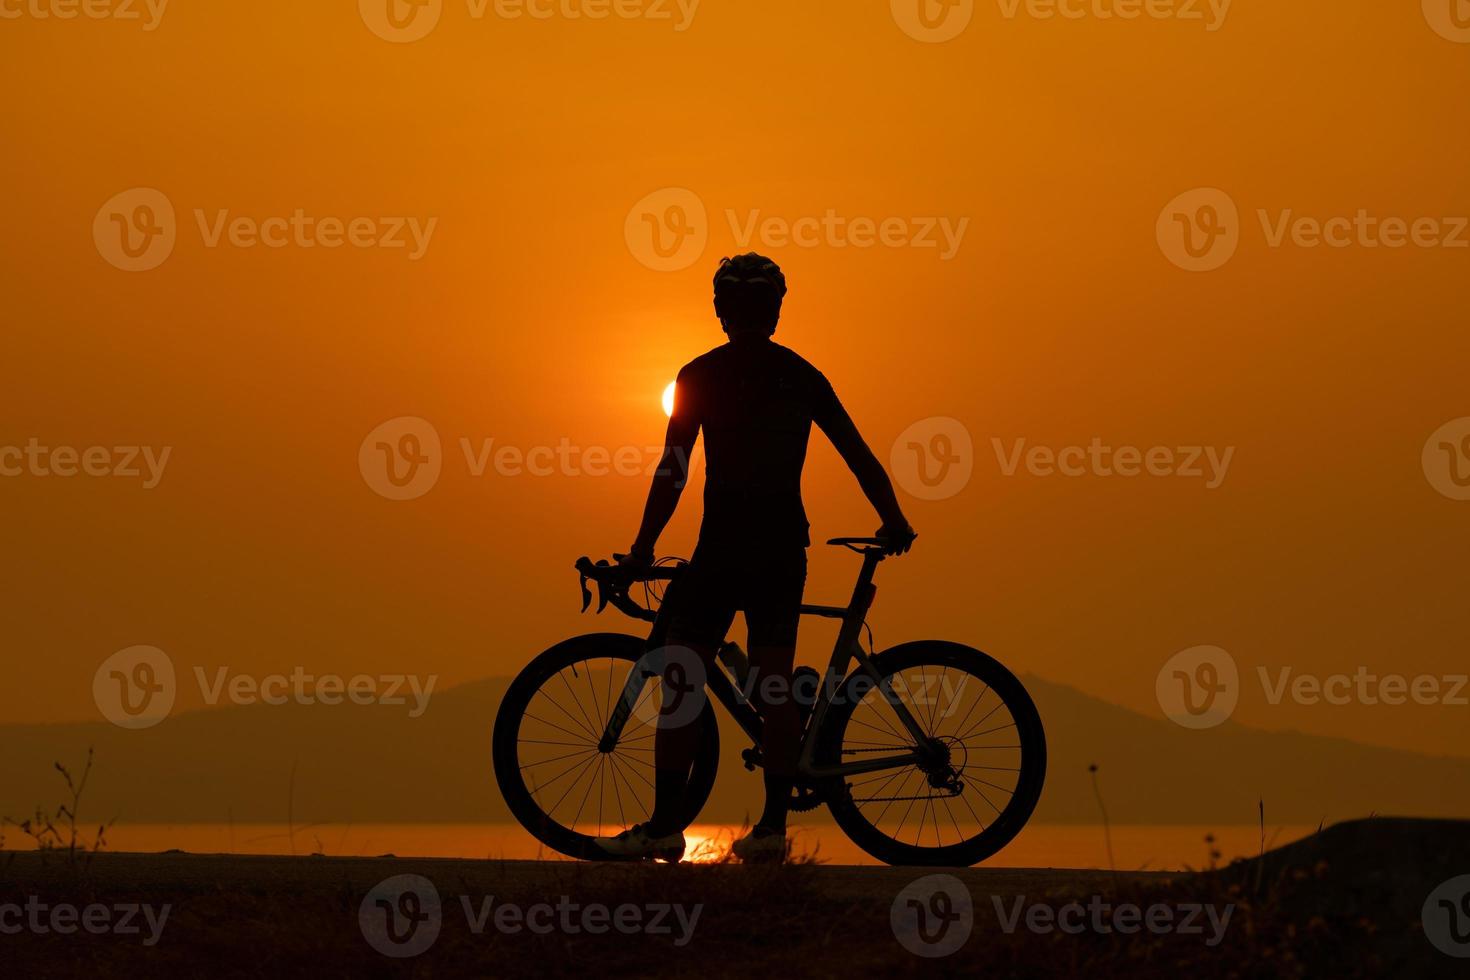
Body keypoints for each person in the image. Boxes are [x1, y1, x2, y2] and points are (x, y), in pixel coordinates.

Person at [595, 253, 916, 862]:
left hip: (720, 549)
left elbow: (673, 473)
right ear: (775, 311)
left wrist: (641, 550)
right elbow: (858, 454)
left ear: (720, 311)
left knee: (683, 682)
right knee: (773, 685)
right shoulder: (799, 374)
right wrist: (893, 518)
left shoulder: (700, 375)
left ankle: (665, 825)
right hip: (780, 547)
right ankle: (771, 830)